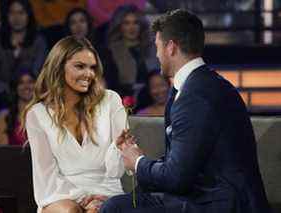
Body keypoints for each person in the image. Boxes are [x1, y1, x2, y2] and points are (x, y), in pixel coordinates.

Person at [100, 9, 271, 213]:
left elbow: (176, 178)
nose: (156, 55)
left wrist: (137, 162)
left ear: (171, 47)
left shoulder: (196, 96)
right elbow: (182, 163)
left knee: (115, 209)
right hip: (200, 194)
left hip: (219, 203)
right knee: (116, 204)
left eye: (157, 47)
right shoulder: (199, 85)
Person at [21, 36, 127, 213]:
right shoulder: (37, 115)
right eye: (80, 66)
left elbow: (117, 170)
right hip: (60, 195)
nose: (89, 74)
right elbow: (46, 178)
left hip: (107, 192)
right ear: (59, 66)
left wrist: (119, 147)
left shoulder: (110, 100)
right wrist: (83, 197)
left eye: (92, 67)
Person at [103, 4, 159, 96]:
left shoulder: (152, 47)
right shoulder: (110, 51)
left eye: (135, 23)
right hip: (124, 98)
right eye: (126, 23)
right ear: (119, 26)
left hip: (153, 97)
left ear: (141, 25)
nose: (131, 28)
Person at [0, 0, 47, 91]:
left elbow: (38, 72)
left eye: (21, 13)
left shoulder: (38, 41)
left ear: (28, 15)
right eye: (12, 13)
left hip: (31, 91)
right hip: (2, 94)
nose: (16, 18)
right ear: (7, 15)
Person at [0, 70, 35, 145]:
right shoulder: (4, 117)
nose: (26, 86)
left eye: (30, 82)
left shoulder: (45, 114)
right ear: (15, 87)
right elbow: (3, 151)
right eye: (21, 83)